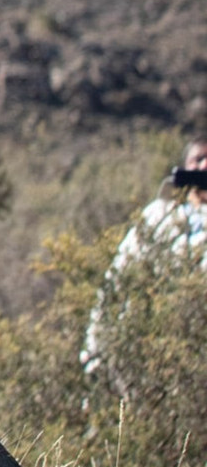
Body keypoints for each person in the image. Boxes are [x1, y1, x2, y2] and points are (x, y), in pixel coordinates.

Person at [82, 135, 207, 375]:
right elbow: (118, 281)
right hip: (155, 355)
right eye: (198, 159)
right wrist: (95, 352)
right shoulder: (159, 216)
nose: (204, 166)